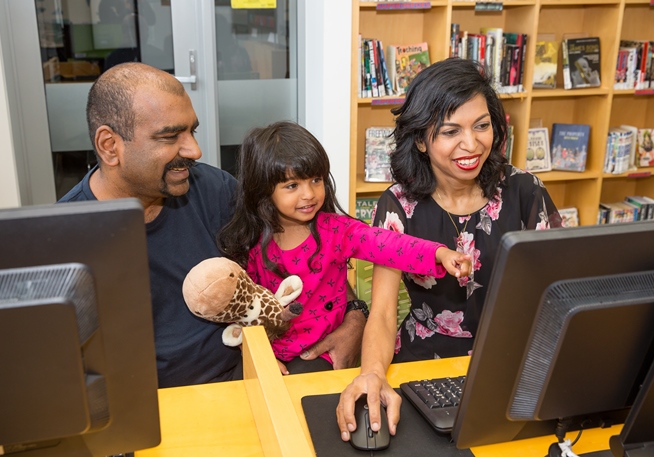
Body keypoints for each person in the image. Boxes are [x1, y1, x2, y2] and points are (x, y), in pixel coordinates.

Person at [336, 57, 564, 441]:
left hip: (511, 364)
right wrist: (372, 373)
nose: (472, 144)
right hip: (421, 368)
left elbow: (561, 293)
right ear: (422, 140)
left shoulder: (526, 191)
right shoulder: (397, 205)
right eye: (450, 131)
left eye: (482, 126)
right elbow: (384, 310)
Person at [217, 121, 472, 375]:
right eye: (292, 185)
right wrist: (257, 355)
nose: (309, 194)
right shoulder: (251, 242)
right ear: (263, 190)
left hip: (322, 353)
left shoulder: (336, 230)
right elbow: (241, 306)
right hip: (267, 350)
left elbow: (386, 243)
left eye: (315, 180)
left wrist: (438, 253)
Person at [58, 62, 242, 388]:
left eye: (192, 131)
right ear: (110, 146)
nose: (194, 150)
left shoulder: (216, 189)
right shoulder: (65, 237)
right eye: (170, 136)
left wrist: (353, 315)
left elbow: (294, 259)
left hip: (238, 380)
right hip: (145, 403)